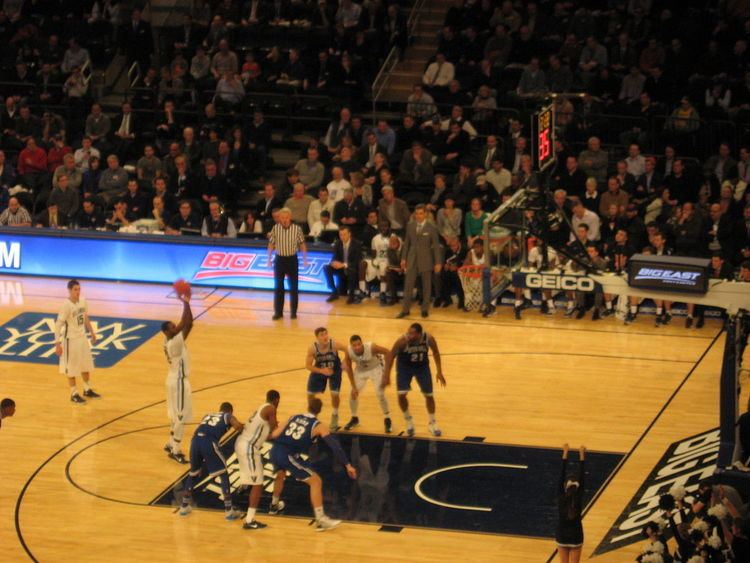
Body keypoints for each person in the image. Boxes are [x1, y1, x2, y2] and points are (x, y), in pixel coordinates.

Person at [269, 397, 358, 531]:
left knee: (280, 474)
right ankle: (321, 520)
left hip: (275, 450)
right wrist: (348, 465)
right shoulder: (318, 425)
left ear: (308, 406)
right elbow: (335, 447)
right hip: (288, 455)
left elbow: (274, 434)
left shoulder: (293, 417)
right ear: (320, 410)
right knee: (316, 481)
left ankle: (274, 505)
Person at [179, 403, 244, 520]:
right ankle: (229, 511)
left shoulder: (207, 415)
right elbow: (238, 427)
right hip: (208, 442)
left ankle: (184, 506)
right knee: (223, 473)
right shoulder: (227, 415)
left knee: (193, 473)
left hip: (194, 442)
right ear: (230, 411)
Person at [234, 390, 286, 530]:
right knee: (258, 484)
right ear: (276, 400)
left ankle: (244, 484)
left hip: (244, 444)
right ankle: (249, 520)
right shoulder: (271, 408)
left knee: (254, 479)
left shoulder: (262, 408)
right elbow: (275, 427)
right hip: (248, 447)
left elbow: (267, 435)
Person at [383, 323, 446, 436]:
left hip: (422, 367)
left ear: (419, 334)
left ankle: (432, 423)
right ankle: (409, 421)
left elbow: (436, 352)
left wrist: (439, 371)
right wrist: (386, 375)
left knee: (429, 395)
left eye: (412, 333)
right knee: (401, 395)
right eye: (408, 332)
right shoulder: (402, 341)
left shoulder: (429, 338)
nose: (409, 335)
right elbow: (391, 356)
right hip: (404, 367)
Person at [54, 280, 100, 404]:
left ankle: (87, 389)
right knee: (71, 368)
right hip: (70, 340)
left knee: (86, 365)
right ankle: (73, 393)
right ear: (69, 290)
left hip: (82, 337)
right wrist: (57, 344)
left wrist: (92, 332)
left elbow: (85, 316)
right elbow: (58, 325)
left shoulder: (83, 301)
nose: (78, 292)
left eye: (79, 289)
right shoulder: (66, 305)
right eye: (75, 290)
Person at [161, 290, 193, 464]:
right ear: (167, 332)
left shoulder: (167, 339)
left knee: (174, 415)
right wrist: (186, 302)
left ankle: (170, 442)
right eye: (172, 327)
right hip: (179, 382)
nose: (176, 328)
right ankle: (176, 449)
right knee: (181, 416)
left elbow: (185, 323)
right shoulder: (174, 342)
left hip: (172, 380)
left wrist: (186, 303)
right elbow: (188, 323)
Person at [397, 204, 442, 319]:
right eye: (416, 213)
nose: (418, 216)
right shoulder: (410, 225)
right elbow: (406, 243)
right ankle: (405, 309)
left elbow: (436, 246)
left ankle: (425, 309)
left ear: (425, 214)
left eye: (421, 213)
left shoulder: (432, 227)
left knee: (427, 286)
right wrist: (403, 258)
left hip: (426, 259)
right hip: (412, 258)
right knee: (408, 285)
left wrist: (438, 262)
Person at [305, 327, 354, 431]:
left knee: (335, 394)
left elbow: (347, 349)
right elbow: (308, 366)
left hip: (334, 370)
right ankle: (311, 417)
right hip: (320, 370)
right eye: (322, 335)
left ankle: (335, 415)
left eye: (326, 334)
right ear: (317, 337)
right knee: (310, 395)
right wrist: (322, 371)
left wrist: (345, 360)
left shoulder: (334, 344)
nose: (325, 336)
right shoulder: (312, 348)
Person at [343, 335, 393, 433]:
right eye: (354, 345)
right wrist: (353, 387)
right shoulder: (348, 352)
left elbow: (388, 352)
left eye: (359, 344)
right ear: (351, 346)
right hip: (361, 370)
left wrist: (387, 375)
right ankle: (354, 418)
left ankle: (387, 419)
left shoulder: (371, 347)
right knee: (352, 394)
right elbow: (348, 368)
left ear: (362, 343)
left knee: (380, 394)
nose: (357, 347)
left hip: (376, 367)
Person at [268, 208, 307, 320]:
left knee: (293, 288)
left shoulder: (297, 229)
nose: (284, 220)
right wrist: (269, 259)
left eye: (286, 217)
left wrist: (305, 259)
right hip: (279, 260)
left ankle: (293, 312)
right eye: (282, 218)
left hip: (292, 260)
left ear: (290, 217)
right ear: (279, 218)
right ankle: (278, 312)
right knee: (278, 287)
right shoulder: (275, 228)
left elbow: (302, 244)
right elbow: (271, 244)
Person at [556, 444, 586, 563]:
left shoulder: (561, 497)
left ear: (565, 488)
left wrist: (565, 453)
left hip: (562, 536)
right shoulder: (578, 499)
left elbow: (561, 475)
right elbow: (582, 477)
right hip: (576, 537)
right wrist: (582, 455)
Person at [324, 226, 365, 304]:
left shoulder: (357, 244)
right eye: (341, 235)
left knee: (351, 270)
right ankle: (334, 291)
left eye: (344, 234)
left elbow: (357, 260)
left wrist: (344, 265)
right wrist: (334, 263)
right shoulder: (338, 243)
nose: (342, 237)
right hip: (340, 268)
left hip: (352, 268)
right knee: (326, 268)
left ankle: (351, 295)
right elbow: (334, 257)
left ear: (349, 234)